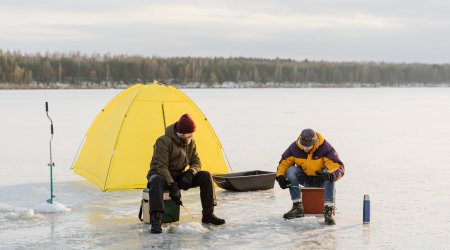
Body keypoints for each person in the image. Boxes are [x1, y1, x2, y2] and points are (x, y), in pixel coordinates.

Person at [146, 113, 225, 234]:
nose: (192, 136)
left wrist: (190, 173)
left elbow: (196, 162)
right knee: (156, 180)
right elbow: (161, 167)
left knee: (205, 175)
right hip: (160, 175)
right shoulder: (163, 141)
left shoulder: (190, 142)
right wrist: (172, 185)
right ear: (182, 133)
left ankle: (208, 215)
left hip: (177, 176)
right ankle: (156, 220)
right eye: (190, 134)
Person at [275, 128, 345, 225]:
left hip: (322, 179)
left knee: (329, 173)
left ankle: (328, 210)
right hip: (305, 178)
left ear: (315, 142)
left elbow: (338, 166)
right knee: (291, 170)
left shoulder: (325, 148)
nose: (305, 148)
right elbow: (284, 163)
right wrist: (280, 177)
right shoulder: (294, 147)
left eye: (308, 146)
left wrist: (331, 175)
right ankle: (297, 207)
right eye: (303, 146)